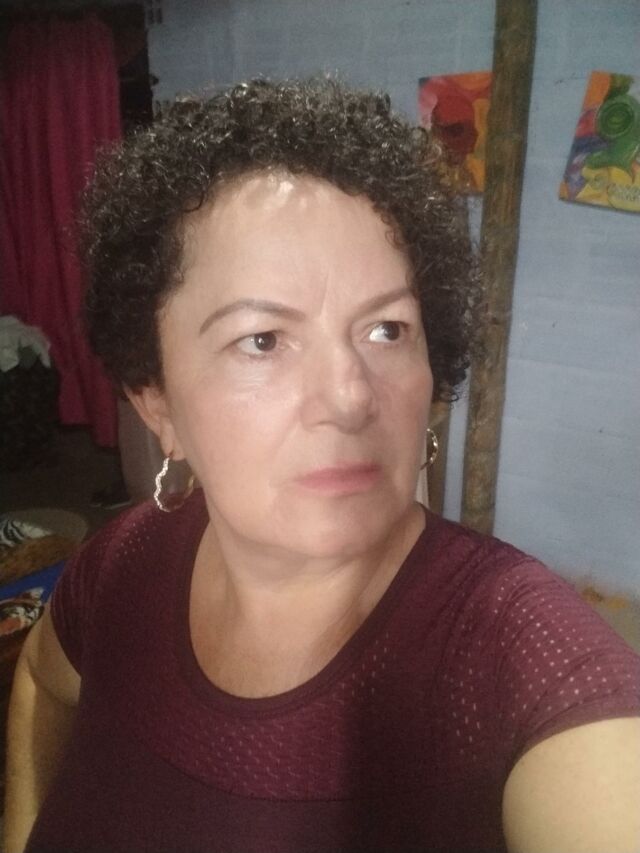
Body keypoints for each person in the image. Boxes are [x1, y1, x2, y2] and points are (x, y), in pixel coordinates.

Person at [4, 78, 639, 853]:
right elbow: (41, 680)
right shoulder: (120, 562)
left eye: (387, 329)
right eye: (262, 340)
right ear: (157, 402)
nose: (349, 397)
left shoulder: (528, 661)